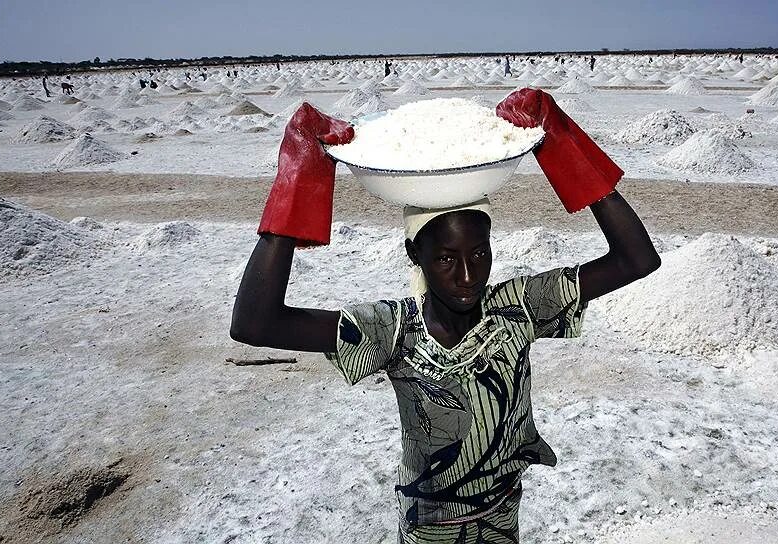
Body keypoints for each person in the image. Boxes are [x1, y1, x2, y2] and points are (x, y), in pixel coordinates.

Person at [230, 89, 661, 543]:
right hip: (430, 531)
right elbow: (255, 324)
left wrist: (563, 147)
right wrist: (298, 180)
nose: (468, 275)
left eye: (479, 253)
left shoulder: (517, 308)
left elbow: (636, 259)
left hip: (501, 520)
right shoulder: (392, 331)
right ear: (414, 254)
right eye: (445, 259)